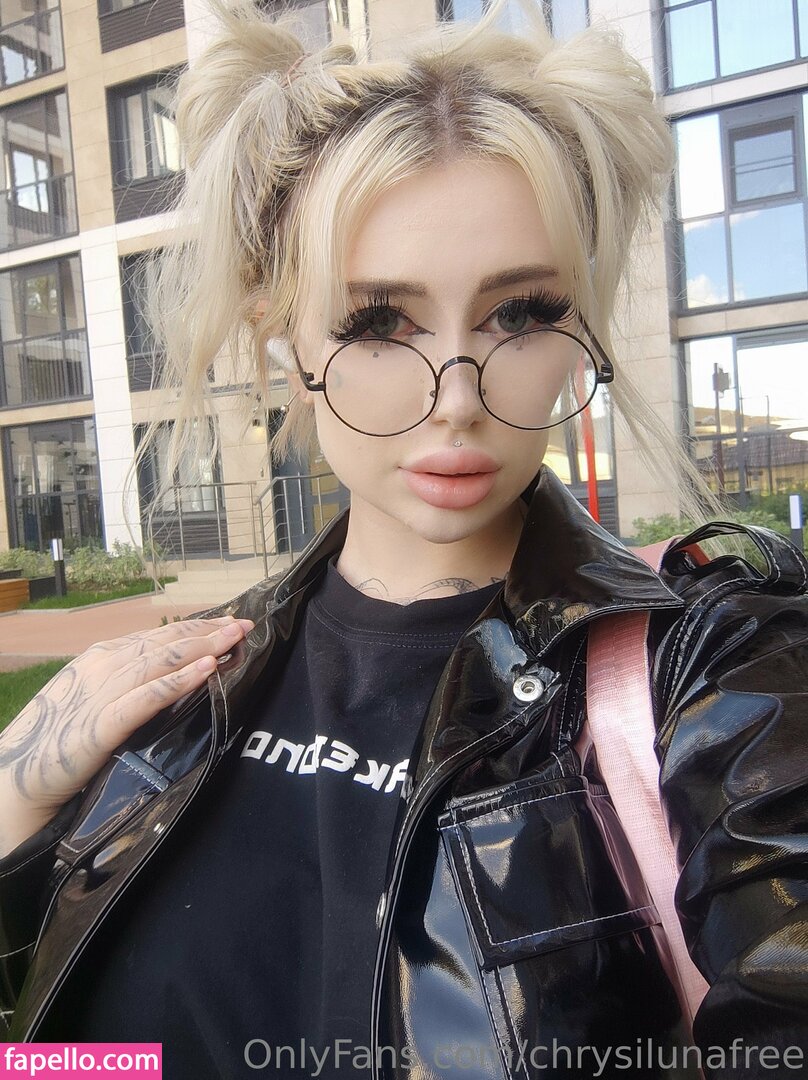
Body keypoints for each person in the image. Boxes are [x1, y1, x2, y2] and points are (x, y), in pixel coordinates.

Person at [1, 0, 807, 1077]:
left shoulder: (715, 670)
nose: (457, 399)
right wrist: (14, 802)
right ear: (285, 339)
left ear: (577, 331)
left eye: (521, 312)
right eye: (379, 322)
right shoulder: (172, 696)